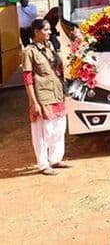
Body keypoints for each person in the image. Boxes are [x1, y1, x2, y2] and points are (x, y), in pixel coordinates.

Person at [22, 18, 72, 176]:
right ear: (36, 32)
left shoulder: (50, 47)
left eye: (49, 29)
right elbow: (28, 79)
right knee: (43, 132)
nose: (49, 32)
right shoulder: (29, 52)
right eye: (46, 30)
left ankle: (55, 159)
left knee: (59, 128)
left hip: (56, 93)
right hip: (42, 96)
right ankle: (43, 164)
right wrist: (33, 102)